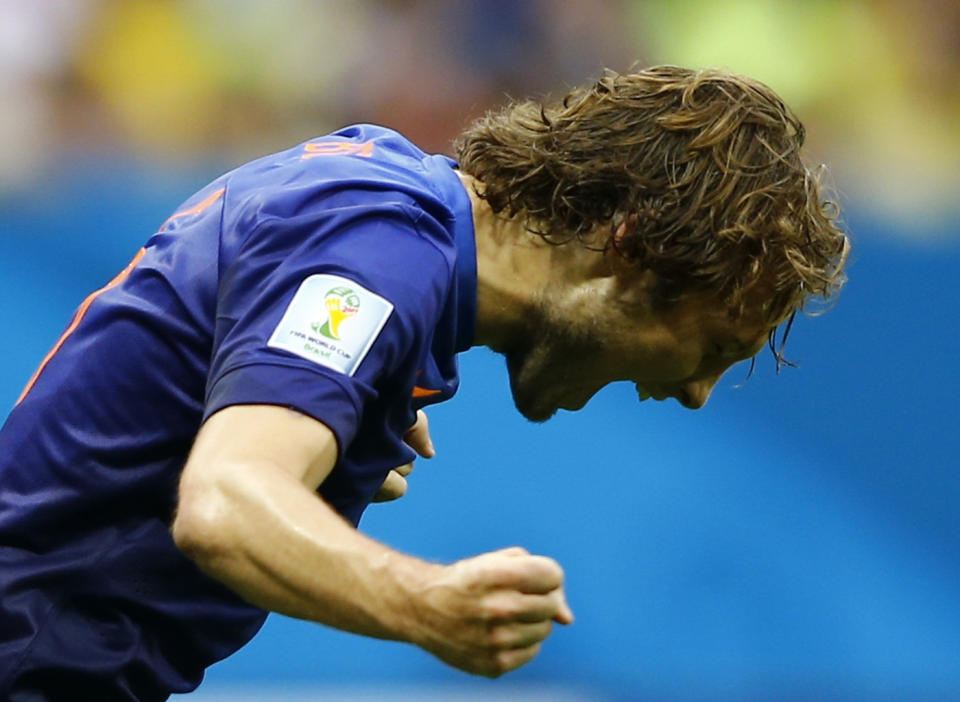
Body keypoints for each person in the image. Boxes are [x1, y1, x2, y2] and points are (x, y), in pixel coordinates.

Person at [0, 65, 847, 700]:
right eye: (708, 344)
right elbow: (225, 505)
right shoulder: (381, 247)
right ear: (629, 245)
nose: (695, 390)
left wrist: (348, 395)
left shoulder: (392, 201)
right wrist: (428, 602)